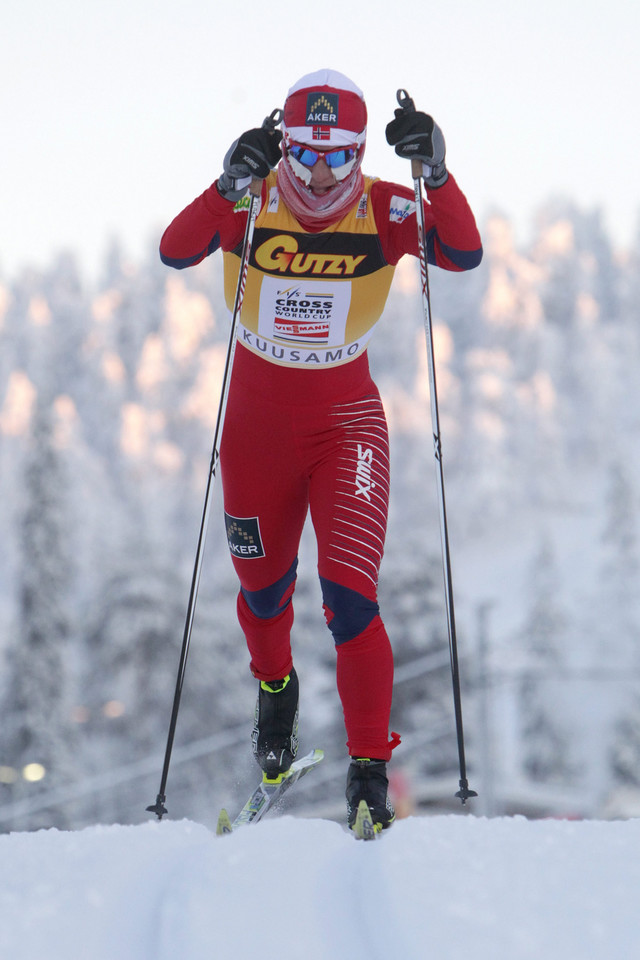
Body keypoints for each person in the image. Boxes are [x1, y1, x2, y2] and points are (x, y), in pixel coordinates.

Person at [160, 69, 482, 833]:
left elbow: (463, 253)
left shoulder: (385, 206)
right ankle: (276, 692)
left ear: (362, 153)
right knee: (263, 595)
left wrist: (436, 169)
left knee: (348, 597)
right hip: (255, 429)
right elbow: (177, 251)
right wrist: (226, 179)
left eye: (340, 158)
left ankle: (369, 769)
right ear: (286, 148)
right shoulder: (253, 198)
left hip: (347, 425)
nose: (320, 175)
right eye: (303, 156)